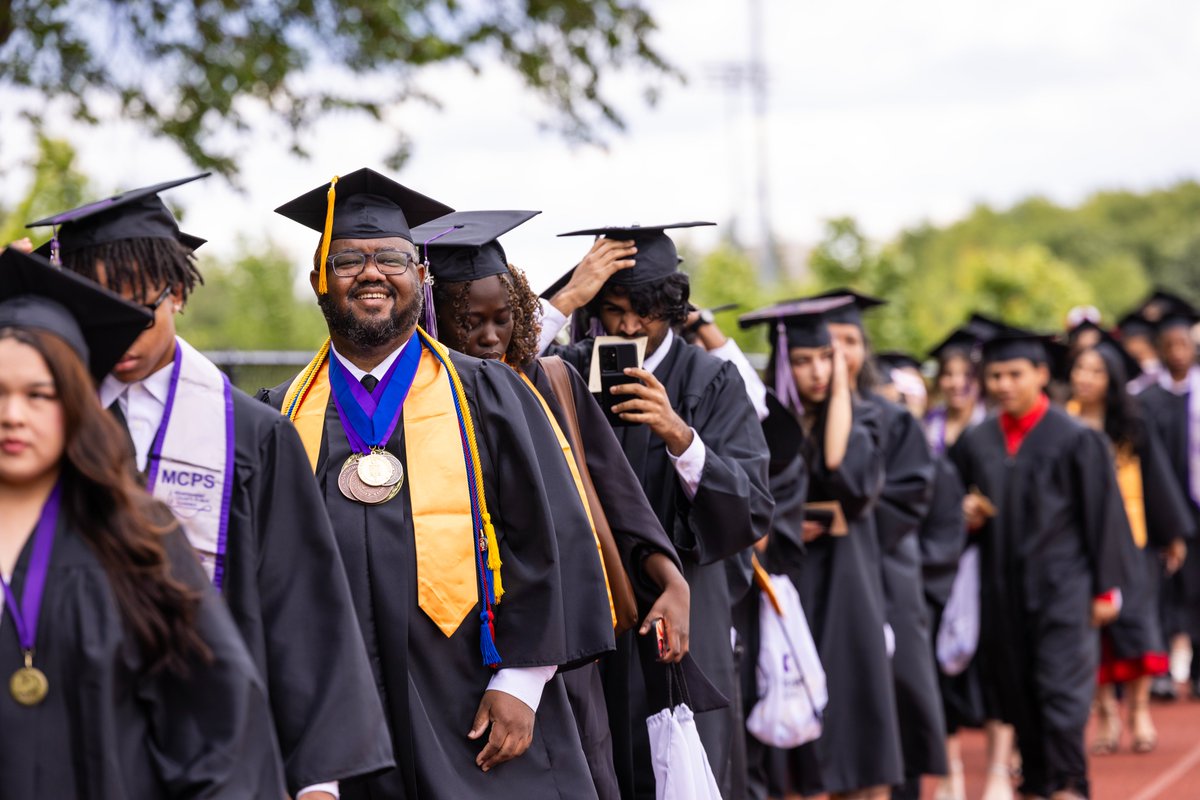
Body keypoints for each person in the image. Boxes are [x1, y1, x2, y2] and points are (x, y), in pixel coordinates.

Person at [28, 175, 393, 799]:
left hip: (219, 735)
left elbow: (298, 602)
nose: (122, 330)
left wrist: (317, 780)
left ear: (177, 294)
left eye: (141, 307)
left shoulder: (251, 435)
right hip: (72, 725)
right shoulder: (44, 421)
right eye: (99, 307)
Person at [261, 169, 614, 800]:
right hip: (337, 715)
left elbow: (552, 535)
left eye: (392, 259)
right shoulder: (279, 415)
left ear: (421, 275)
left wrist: (522, 683)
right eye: (348, 261)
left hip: (474, 700)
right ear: (319, 279)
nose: (371, 274)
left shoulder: (488, 393)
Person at [414, 209, 692, 800]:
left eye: (504, 319)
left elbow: (619, 501)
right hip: (456, 653)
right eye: (471, 323)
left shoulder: (547, 382)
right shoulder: (410, 413)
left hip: (560, 652)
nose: (490, 337)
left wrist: (670, 578)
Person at [0, 247, 286, 797]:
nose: (14, 415)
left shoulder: (133, 535)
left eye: (39, 395)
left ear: (74, 405)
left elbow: (219, 723)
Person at [541, 221, 773, 798]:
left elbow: (751, 505)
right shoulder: (568, 369)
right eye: (612, 310)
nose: (626, 327)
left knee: (685, 770)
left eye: (643, 312)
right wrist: (567, 297)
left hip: (687, 607)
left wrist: (679, 436)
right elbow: (492, 376)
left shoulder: (711, 379)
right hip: (595, 611)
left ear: (670, 307)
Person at [951, 328, 1134, 800]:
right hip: (1002, 592)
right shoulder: (977, 440)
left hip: (1063, 590)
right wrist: (964, 514)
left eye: (1014, 374)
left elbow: (1103, 516)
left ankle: (1070, 786)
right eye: (995, 376)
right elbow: (949, 505)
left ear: (1040, 374)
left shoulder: (1076, 438)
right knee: (1018, 693)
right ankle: (1036, 784)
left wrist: (1105, 589)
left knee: (1061, 695)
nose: (1003, 385)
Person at [739, 296, 901, 799]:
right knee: (800, 732)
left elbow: (842, 470)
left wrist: (842, 391)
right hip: (793, 581)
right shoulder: (764, 424)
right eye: (802, 360)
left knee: (856, 722)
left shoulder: (865, 418)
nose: (816, 372)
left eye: (825, 359)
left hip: (849, 583)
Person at [815, 289, 943, 800]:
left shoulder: (893, 418)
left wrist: (850, 525)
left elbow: (911, 494)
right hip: (819, 574)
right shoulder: (796, 417)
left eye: (850, 340)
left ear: (864, 348)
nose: (840, 353)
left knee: (894, 692)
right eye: (829, 342)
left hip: (886, 571)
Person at [1067, 333, 1193, 755]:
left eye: (1096, 371)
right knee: (1096, 635)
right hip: (1080, 545)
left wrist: (1171, 534)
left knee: (1138, 626)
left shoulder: (1131, 426)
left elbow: (1157, 480)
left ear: (1112, 378)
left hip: (1133, 542)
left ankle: (1138, 710)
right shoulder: (1063, 424)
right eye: (1080, 369)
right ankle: (1106, 713)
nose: (1085, 378)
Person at [1132, 291, 1200, 701]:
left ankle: (1197, 671)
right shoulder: (1145, 398)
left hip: (1198, 505)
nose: (1177, 352)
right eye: (1169, 345)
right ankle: (1160, 670)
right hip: (1160, 509)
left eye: (1183, 344)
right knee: (1164, 590)